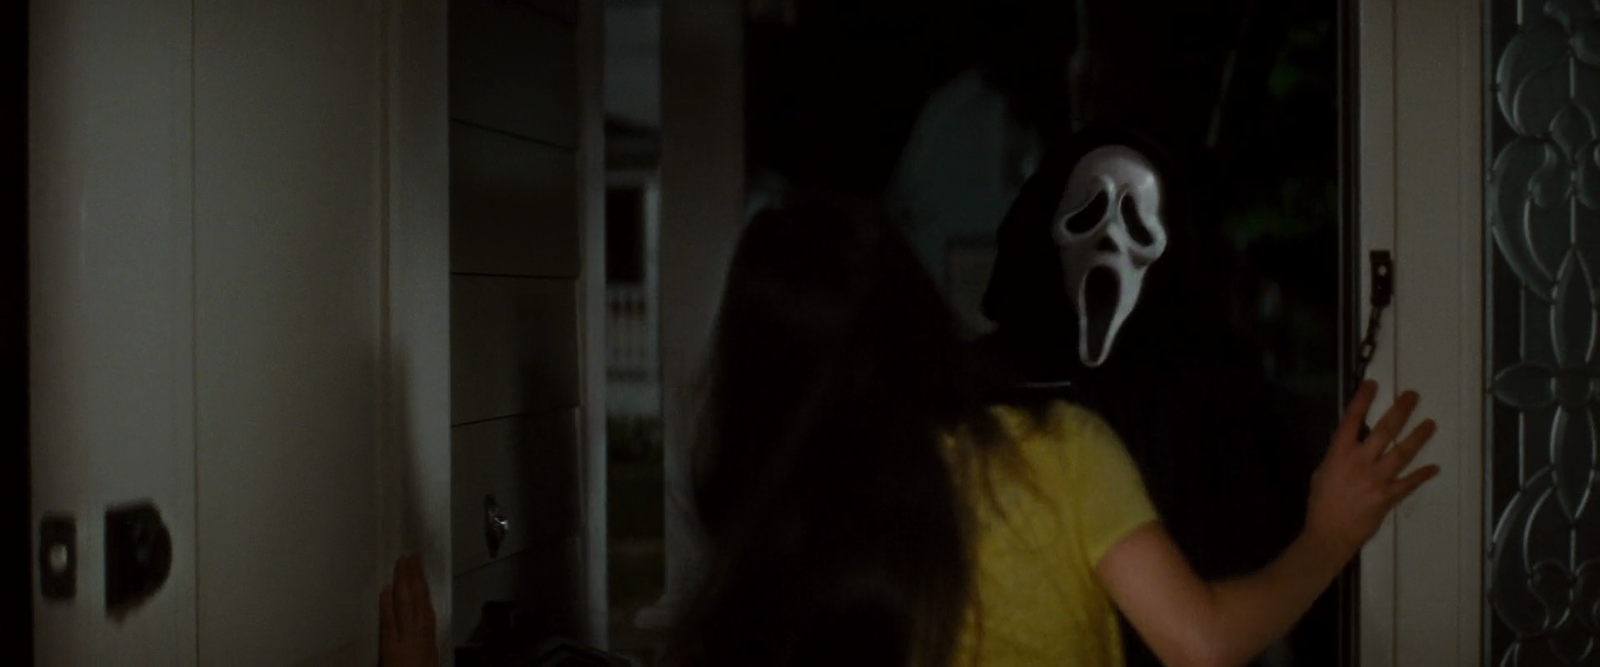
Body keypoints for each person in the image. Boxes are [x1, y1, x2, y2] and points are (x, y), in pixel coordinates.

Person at [665, 192, 1437, 667]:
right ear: (915, 312)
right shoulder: (1054, 448)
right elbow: (1201, 642)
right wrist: (1329, 536)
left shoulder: (771, 524)